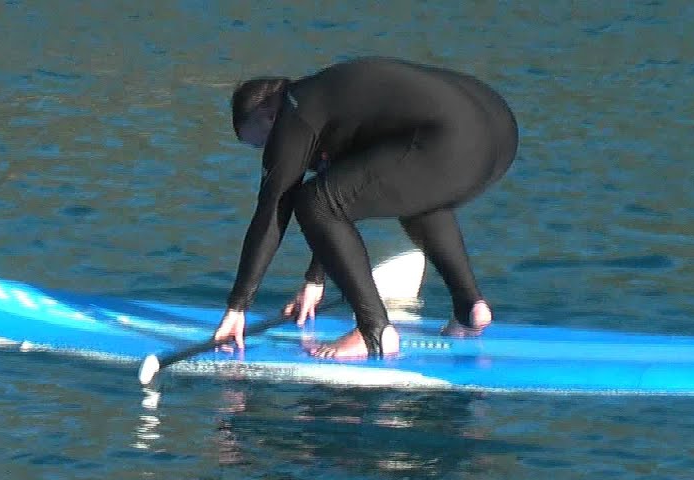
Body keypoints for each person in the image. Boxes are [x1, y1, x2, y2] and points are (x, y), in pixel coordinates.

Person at [211, 56, 519, 359]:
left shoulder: (295, 112)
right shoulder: (328, 102)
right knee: (411, 193)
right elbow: (340, 194)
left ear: (268, 116)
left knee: (314, 201)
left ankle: (374, 332)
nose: (271, 152)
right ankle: (469, 309)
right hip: (497, 133)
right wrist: (315, 280)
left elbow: (272, 211)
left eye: (262, 144)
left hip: (453, 137)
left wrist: (238, 307)